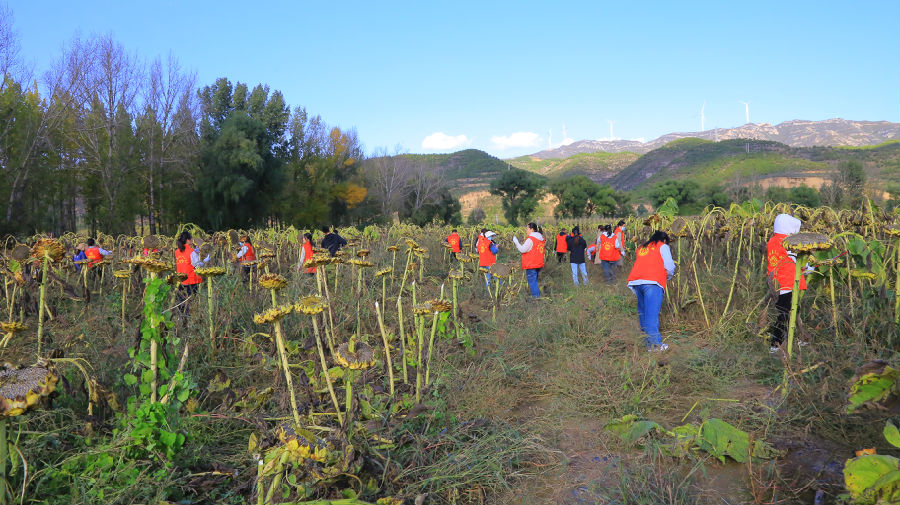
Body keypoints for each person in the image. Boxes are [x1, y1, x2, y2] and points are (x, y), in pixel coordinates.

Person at [766, 214, 813, 353]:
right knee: (785, 315)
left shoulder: (772, 241)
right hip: (787, 282)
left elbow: (784, 260)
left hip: (776, 282)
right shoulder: (786, 243)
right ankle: (776, 344)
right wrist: (809, 267)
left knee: (789, 312)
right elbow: (794, 260)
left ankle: (797, 339)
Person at [626, 230, 676, 351]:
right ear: (664, 240)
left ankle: (648, 343)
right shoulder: (662, 246)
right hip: (652, 282)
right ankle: (655, 345)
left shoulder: (641, 248)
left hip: (637, 281)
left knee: (643, 313)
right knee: (651, 314)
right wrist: (668, 276)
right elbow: (669, 266)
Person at [174, 231, 210, 314]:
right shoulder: (191, 252)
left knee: (182, 302)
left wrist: (195, 253)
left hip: (181, 280)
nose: (192, 240)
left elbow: (185, 261)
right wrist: (204, 261)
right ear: (187, 240)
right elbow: (197, 265)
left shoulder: (177, 251)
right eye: (191, 238)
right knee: (191, 302)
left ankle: (183, 319)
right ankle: (189, 319)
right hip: (191, 280)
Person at [514, 222, 545, 298]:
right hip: (539, 263)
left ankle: (536, 299)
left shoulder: (531, 239)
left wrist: (516, 242)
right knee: (535, 281)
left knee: (532, 282)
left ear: (532, 229)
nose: (526, 230)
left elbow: (522, 250)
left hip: (531, 264)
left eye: (527, 228)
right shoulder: (541, 238)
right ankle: (536, 297)